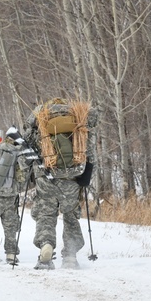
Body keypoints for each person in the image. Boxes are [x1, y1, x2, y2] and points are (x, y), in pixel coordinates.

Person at [23, 98, 96, 270]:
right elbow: (90, 155)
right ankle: (70, 255)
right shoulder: (78, 120)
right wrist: (85, 177)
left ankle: (46, 246)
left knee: (46, 214)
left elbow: (24, 156)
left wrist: (28, 170)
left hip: (45, 178)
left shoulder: (40, 120)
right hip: (72, 177)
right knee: (71, 215)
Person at [0, 129, 30, 265]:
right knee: (11, 227)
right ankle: (11, 254)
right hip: (11, 197)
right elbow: (23, 178)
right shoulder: (20, 153)